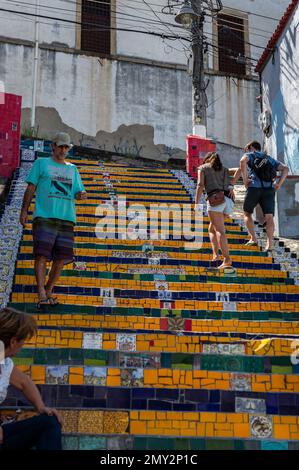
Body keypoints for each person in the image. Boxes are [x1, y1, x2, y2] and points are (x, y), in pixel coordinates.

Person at [19, 132, 87, 308]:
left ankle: (49, 290)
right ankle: (41, 292)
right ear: (53, 146)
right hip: (44, 217)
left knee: (61, 259)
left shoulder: (73, 169)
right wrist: (24, 210)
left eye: (66, 147)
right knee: (41, 255)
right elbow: (31, 187)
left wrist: (81, 195)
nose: (63, 150)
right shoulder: (41, 163)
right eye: (61, 146)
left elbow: (79, 192)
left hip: (66, 219)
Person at [0, 307, 63, 450]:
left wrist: (41, 407)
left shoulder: (5, 363)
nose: (22, 346)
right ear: (14, 341)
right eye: (23, 341)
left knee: (50, 421)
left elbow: (24, 383)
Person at [240, 141, 289, 251]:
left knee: (247, 213)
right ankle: (269, 244)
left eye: (247, 149)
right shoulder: (269, 158)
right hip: (269, 190)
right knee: (269, 216)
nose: (247, 151)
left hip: (254, 188)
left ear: (252, 147)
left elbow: (242, 161)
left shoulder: (251, 155)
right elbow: (285, 168)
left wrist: (245, 181)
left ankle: (253, 239)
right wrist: (278, 184)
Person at [195, 152, 235, 269]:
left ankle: (227, 259)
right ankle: (215, 255)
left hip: (215, 201)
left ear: (207, 159)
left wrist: (196, 203)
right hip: (228, 201)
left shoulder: (203, 168)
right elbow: (239, 169)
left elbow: (200, 185)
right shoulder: (223, 169)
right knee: (211, 229)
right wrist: (231, 185)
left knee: (220, 231)